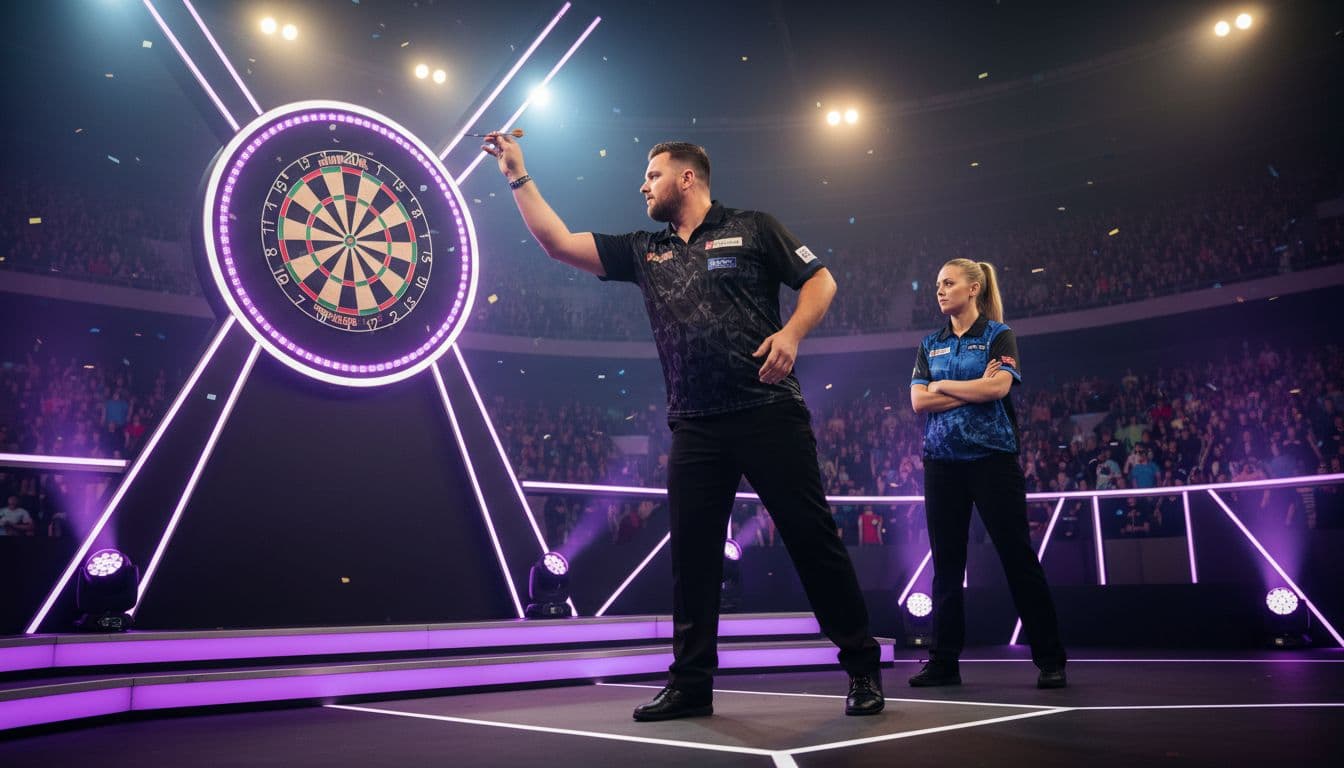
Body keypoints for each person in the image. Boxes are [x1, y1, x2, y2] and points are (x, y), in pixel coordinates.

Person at [483, 134, 883, 720]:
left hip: (768, 409)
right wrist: (518, 175)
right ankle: (692, 683)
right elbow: (558, 243)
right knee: (692, 559)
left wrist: (792, 335)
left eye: (652, 174)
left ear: (687, 178)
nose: (642, 185)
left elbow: (821, 282)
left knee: (812, 542)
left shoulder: (754, 227)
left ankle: (862, 669)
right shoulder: (645, 250)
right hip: (694, 426)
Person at [908, 258, 1067, 689]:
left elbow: (998, 388)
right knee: (946, 566)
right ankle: (943, 662)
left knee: (1017, 558)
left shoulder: (999, 335)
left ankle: (1050, 659)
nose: (939, 291)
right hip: (941, 464)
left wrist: (942, 386)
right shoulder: (930, 343)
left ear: (973, 287)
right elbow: (918, 403)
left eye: (948, 283)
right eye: (937, 284)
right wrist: (967, 389)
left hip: (993, 460)